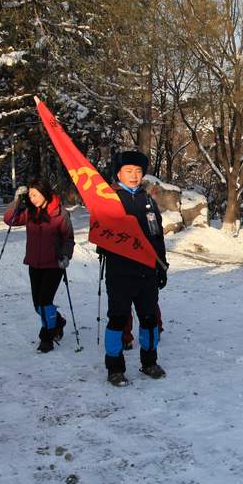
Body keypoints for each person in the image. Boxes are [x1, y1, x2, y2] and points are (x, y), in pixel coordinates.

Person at [100, 151, 168, 386]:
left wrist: (162, 266)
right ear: (118, 173)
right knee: (117, 320)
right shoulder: (109, 198)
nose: (134, 175)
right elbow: (100, 230)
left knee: (149, 319)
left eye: (138, 171)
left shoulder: (146, 199)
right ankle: (115, 368)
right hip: (120, 272)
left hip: (147, 271)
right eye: (129, 171)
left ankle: (149, 361)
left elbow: (157, 235)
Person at [3, 178, 75, 353]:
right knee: (37, 305)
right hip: (34, 263)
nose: (33, 198)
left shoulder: (60, 213)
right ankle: (57, 322)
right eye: (30, 195)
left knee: (44, 302)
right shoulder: (30, 212)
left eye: (36, 195)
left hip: (54, 264)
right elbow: (10, 220)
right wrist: (17, 201)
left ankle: (46, 338)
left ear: (46, 193)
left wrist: (66, 256)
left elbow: (68, 238)